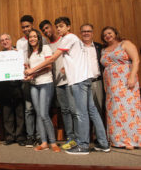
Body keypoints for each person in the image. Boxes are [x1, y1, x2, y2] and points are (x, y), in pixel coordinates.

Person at [25, 17, 110, 155]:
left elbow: (52, 59)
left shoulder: (68, 38)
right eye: (57, 26)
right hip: (85, 78)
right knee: (92, 111)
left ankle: (82, 145)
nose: (59, 29)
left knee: (81, 113)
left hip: (78, 80)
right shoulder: (75, 39)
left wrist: (32, 70)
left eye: (61, 26)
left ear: (68, 27)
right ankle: (103, 143)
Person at [100, 26, 141, 150]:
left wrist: (132, 77)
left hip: (125, 81)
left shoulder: (125, 43)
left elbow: (136, 60)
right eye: (105, 35)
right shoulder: (103, 50)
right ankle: (117, 140)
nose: (107, 36)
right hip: (111, 85)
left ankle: (131, 140)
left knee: (128, 109)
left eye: (109, 33)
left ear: (115, 33)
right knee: (115, 110)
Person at [39, 20, 76, 150]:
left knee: (73, 110)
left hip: (70, 80)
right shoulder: (46, 45)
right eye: (43, 30)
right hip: (57, 83)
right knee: (65, 111)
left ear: (53, 28)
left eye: (47, 28)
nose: (46, 31)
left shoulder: (65, 39)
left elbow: (76, 56)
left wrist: (68, 67)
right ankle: (70, 138)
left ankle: (79, 138)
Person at [25, 29, 60, 152]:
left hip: (46, 83)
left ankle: (53, 142)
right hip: (34, 85)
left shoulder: (45, 48)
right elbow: (28, 69)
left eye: (34, 36)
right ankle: (44, 142)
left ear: (39, 38)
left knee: (44, 114)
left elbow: (49, 66)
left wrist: (33, 73)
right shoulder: (29, 53)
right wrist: (27, 74)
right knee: (38, 114)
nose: (32, 39)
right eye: (30, 37)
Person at [0, 33, 26, 146]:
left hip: (18, 86)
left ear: (10, 40)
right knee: (7, 114)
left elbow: (24, 66)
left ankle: (20, 137)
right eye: (2, 40)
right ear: (1, 43)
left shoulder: (18, 53)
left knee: (19, 113)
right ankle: (9, 136)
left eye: (7, 39)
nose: (5, 41)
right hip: (5, 87)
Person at [16, 15, 36, 147]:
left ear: (32, 25)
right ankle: (30, 136)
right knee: (28, 108)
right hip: (25, 79)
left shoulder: (41, 39)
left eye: (27, 26)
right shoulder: (19, 42)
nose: (25, 29)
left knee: (40, 109)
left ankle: (41, 136)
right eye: (23, 27)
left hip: (40, 77)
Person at [80, 24, 105, 119]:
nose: (86, 33)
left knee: (99, 109)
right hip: (83, 83)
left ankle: (97, 133)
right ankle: (88, 133)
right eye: (84, 31)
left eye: (88, 31)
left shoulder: (99, 47)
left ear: (92, 33)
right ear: (81, 33)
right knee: (85, 110)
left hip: (97, 82)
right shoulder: (77, 47)